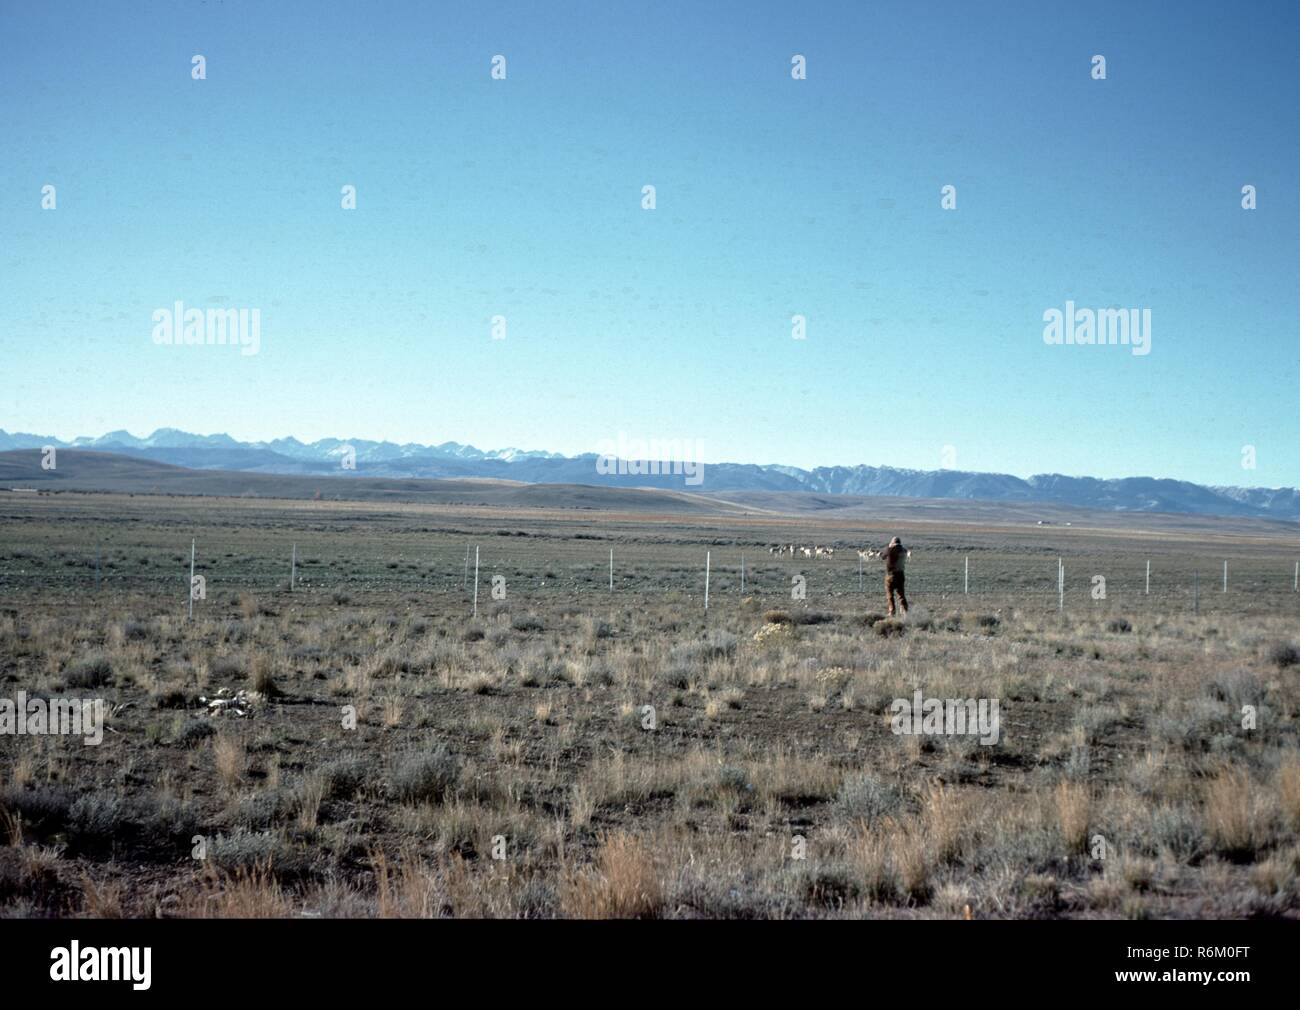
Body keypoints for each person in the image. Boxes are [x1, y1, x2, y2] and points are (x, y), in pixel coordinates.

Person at [877, 536, 910, 616]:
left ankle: (892, 611)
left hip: (891, 575)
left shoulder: (890, 549)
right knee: (901, 594)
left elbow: (883, 556)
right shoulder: (903, 550)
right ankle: (905, 612)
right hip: (901, 574)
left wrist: (887, 547)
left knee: (890, 594)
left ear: (893, 542)